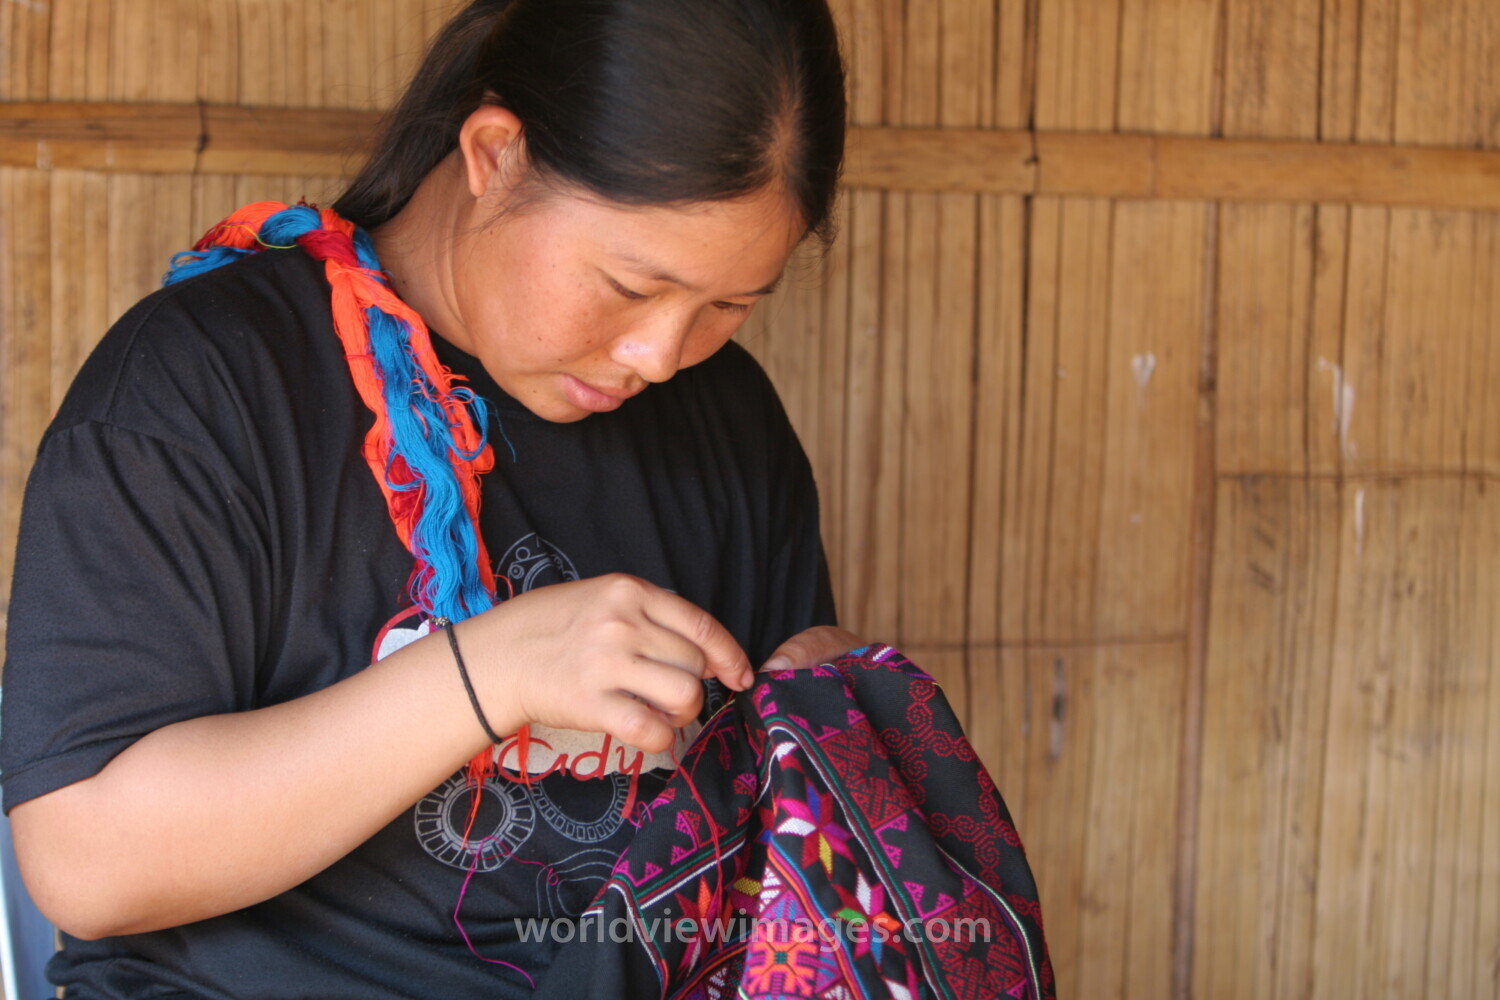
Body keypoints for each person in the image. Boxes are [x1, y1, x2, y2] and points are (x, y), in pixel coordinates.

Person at [0, 0, 860, 996]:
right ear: (495, 153)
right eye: (628, 286)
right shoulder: (204, 386)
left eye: (728, 306)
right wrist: (486, 676)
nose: (659, 355)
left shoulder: (729, 425)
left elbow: (772, 841)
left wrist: (833, 711)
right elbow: (87, 863)